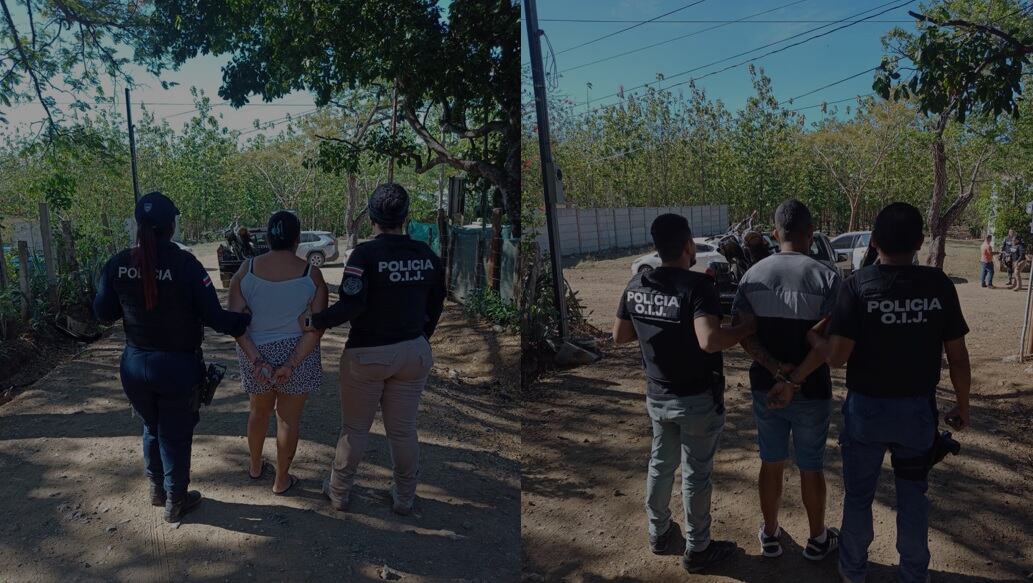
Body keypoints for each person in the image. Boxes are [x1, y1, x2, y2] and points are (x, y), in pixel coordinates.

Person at [808, 202, 971, 583]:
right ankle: (914, 575)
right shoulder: (938, 285)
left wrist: (814, 339)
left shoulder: (856, 287)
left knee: (859, 496)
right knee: (913, 498)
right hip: (916, 413)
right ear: (919, 241)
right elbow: (958, 358)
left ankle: (852, 571)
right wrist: (962, 405)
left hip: (866, 411)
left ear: (875, 241)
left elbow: (837, 359)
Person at [93, 191, 251, 523]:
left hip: (135, 366)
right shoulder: (186, 265)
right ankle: (175, 499)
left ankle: (157, 489)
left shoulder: (118, 263)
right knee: (175, 433)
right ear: (172, 226)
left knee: (152, 425)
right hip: (177, 367)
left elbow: (102, 313)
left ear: (139, 226)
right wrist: (245, 320)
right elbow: (215, 317)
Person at [612, 213, 756, 574]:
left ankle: (658, 532)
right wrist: (742, 330)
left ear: (658, 247)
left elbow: (620, 336)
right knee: (695, 474)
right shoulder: (697, 287)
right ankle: (698, 548)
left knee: (661, 463)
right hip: (696, 399)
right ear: (688, 245)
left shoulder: (636, 284)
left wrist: (655, 328)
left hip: (658, 396)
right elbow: (709, 340)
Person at [305, 183, 446, 515]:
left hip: (367, 355)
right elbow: (436, 304)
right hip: (413, 353)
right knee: (403, 429)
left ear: (371, 217)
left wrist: (315, 320)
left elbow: (352, 305)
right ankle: (405, 497)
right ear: (406, 217)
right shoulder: (427, 256)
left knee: (354, 429)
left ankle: (338, 493)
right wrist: (420, 337)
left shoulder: (364, 256)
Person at [731, 200, 841, 562]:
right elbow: (829, 344)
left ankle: (771, 534)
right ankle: (817, 539)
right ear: (811, 234)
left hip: (767, 388)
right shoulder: (827, 278)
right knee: (811, 465)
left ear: (775, 234)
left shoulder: (752, 276)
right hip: (812, 390)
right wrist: (795, 379)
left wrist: (777, 372)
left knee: (771, 461)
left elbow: (743, 334)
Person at [229, 210, 328, 495]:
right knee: (288, 419)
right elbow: (316, 328)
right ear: (297, 239)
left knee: (258, 412)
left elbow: (236, 324)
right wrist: (292, 362)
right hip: (299, 351)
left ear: (267, 238)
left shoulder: (245, 271)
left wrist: (257, 359)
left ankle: (256, 466)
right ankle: (281, 479)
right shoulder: (312, 274)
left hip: (254, 351)